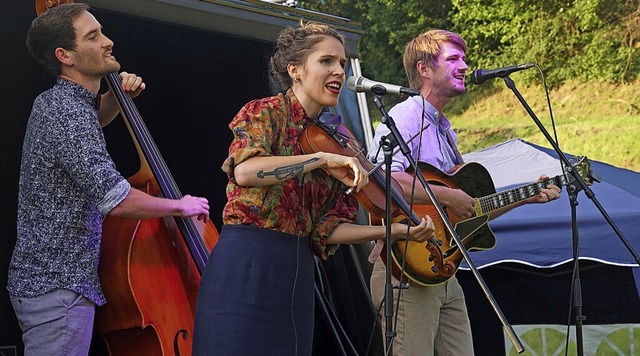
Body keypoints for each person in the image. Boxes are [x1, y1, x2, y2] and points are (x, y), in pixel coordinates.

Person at [192, 21, 436, 355]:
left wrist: (394, 230)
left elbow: (328, 229)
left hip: (296, 271)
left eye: (342, 64)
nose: (339, 71)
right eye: (327, 61)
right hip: (247, 263)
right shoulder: (265, 112)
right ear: (295, 70)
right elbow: (246, 171)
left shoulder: (340, 139)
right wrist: (319, 159)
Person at [6, 3, 211, 355]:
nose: (108, 41)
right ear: (65, 55)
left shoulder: (62, 105)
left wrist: (117, 99)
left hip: (52, 285)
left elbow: (84, 135)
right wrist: (178, 205)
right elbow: (115, 198)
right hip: (58, 290)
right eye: (93, 36)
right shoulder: (67, 113)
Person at [368, 29, 562, 355]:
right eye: (453, 59)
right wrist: (446, 196)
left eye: (465, 59)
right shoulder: (406, 115)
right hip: (405, 269)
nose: (465, 66)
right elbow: (379, 181)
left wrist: (525, 196)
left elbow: (467, 209)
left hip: (444, 271)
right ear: (424, 69)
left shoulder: (446, 132)